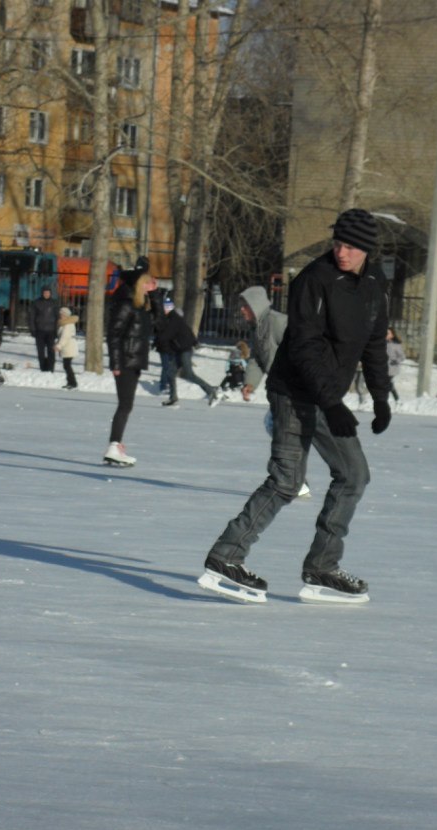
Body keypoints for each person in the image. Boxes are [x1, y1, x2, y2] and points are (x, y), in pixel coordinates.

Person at [200, 207, 390, 603]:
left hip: (327, 395)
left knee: (353, 475)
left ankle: (322, 567)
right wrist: (333, 404)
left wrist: (380, 395)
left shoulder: (374, 282)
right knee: (287, 480)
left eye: (351, 246)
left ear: (368, 250)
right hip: (294, 391)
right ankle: (226, 558)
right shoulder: (314, 280)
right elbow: (303, 347)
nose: (342, 252)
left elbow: (372, 344)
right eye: (338, 242)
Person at [238, 286, 311, 498]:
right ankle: (295, 479)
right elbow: (257, 359)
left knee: (285, 431)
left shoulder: (277, 322)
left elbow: (303, 345)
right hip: (283, 390)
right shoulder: (258, 328)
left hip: (297, 389)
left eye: (245, 306)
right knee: (277, 428)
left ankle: (295, 479)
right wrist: (250, 383)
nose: (242, 310)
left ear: (256, 305)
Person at [102, 265, 155, 467]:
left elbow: (159, 320)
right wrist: (115, 363)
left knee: (126, 405)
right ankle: (114, 446)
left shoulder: (140, 305)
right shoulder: (126, 304)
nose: (151, 286)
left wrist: (155, 293)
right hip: (125, 361)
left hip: (134, 361)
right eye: (148, 282)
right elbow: (114, 334)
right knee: (125, 405)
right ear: (139, 284)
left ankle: (116, 445)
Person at [157, 298, 219, 406]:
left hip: (184, 350)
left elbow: (165, 336)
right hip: (180, 350)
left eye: (163, 308)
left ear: (167, 309)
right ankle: (173, 397)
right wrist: (195, 341)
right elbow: (188, 331)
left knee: (189, 375)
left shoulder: (173, 320)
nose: (162, 311)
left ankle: (210, 390)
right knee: (171, 373)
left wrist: (159, 340)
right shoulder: (174, 318)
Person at [29, 286, 60, 372]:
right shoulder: (36, 303)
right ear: (42, 293)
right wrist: (33, 329)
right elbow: (32, 317)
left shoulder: (54, 303)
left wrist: (57, 330)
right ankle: (43, 368)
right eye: (45, 292)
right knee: (40, 351)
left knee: (51, 351)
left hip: (51, 331)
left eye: (48, 292)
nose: (46, 294)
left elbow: (58, 317)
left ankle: (51, 368)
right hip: (40, 330)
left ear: (50, 293)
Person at [55, 306, 79, 390]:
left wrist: (59, 345)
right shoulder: (64, 323)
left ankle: (73, 383)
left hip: (69, 347)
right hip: (67, 347)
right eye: (60, 314)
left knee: (67, 365)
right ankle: (71, 382)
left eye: (63, 314)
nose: (61, 315)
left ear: (66, 315)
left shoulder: (68, 324)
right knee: (66, 365)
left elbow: (65, 336)